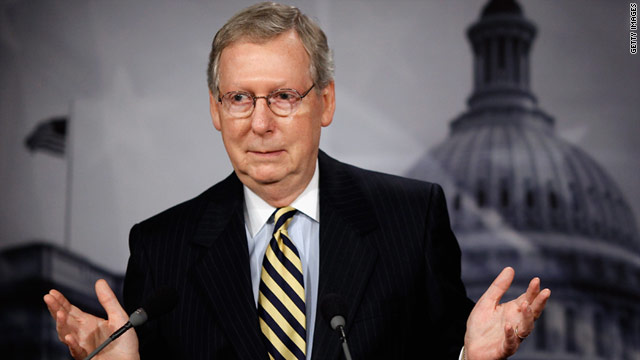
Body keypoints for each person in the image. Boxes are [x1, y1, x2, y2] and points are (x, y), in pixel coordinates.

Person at [43, 2, 550, 359]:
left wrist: (470, 357)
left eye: (283, 96)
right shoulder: (161, 247)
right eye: (239, 98)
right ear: (216, 111)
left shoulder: (410, 219)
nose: (260, 123)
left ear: (325, 103)